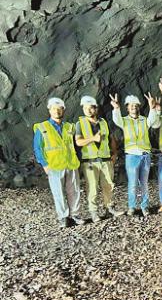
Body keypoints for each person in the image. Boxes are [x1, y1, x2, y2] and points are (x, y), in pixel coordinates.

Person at [33, 97, 84, 227]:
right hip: (54, 165)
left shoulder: (69, 127)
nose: (57, 111)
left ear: (63, 110)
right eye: (54, 109)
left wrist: (79, 160)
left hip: (71, 163)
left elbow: (76, 145)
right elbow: (38, 148)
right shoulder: (42, 127)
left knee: (74, 190)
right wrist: (44, 164)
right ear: (49, 110)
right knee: (58, 192)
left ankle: (75, 214)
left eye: (59, 108)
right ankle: (63, 217)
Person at [74, 95, 122, 222]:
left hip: (106, 160)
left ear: (96, 109)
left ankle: (109, 208)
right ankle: (93, 212)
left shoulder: (103, 122)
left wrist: (115, 153)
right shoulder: (80, 124)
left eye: (91, 108)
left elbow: (111, 139)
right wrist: (93, 139)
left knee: (108, 185)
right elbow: (78, 142)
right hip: (90, 162)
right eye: (86, 108)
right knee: (92, 187)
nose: (88, 111)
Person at [111, 92, 159, 216]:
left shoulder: (145, 120)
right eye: (131, 105)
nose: (133, 107)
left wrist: (152, 107)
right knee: (132, 183)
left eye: (136, 105)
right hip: (131, 156)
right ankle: (132, 207)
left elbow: (153, 120)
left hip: (145, 156)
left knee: (144, 183)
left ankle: (144, 206)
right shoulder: (124, 121)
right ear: (127, 108)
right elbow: (116, 120)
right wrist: (116, 108)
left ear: (139, 107)